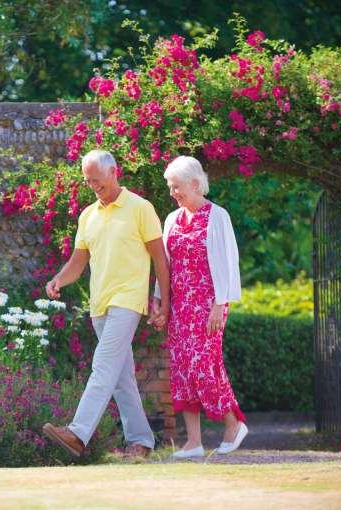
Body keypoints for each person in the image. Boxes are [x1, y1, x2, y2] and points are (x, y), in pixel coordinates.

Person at [42, 149, 170, 459]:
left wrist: (163, 303)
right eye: (88, 182)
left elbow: (160, 259)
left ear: (114, 172)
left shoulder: (141, 208)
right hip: (99, 304)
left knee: (103, 366)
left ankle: (77, 433)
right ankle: (142, 442)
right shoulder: (88, 215)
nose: (93, 186)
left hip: (128, 300)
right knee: (121, 376)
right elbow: (78, 260)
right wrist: (59, 280)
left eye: (97, 180)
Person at [150, 155, 248, 458]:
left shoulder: (217, 215)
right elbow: (165, 264)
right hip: (180, 307)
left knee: (204, 366)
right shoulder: (171, 220)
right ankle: (193, 442)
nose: (172, 193)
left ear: (195, 184)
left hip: (209, 306)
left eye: (176, 186)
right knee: (181, 369)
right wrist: (158, 300)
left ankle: (233, 425)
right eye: (170, 187)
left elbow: (230, 263)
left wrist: (221, 304)